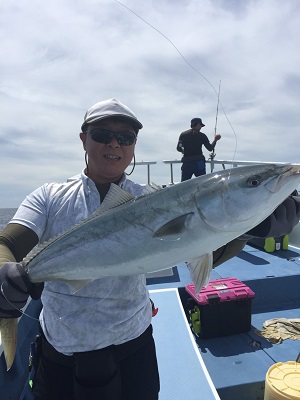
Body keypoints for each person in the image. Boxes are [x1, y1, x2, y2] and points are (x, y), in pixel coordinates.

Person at [0, 99, 299, 400]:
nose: (115, 144)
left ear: (134, 145)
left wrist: (248, 231)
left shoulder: (149, 199)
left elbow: (202, 247)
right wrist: (7, 275)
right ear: (84, 139)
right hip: (61, 350)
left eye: (126, 138)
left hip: (133, 345)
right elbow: (8, 245)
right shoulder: (50, 197)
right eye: (103, 134)